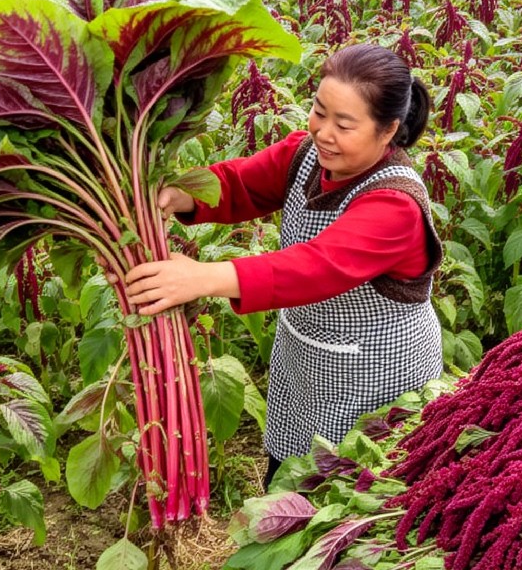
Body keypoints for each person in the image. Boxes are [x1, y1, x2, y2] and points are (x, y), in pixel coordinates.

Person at [122, 43, 444, 488]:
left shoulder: (395, 205)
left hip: (375, 375)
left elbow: (315, 266)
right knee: (288, 474)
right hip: (305, 356)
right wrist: (183, 195)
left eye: (344, 124)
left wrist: (200, 277)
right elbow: (242, 184)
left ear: (387, 132)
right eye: (319, 110)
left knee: (352, 493)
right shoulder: (307, 154)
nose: (323, 132)